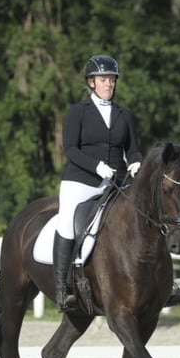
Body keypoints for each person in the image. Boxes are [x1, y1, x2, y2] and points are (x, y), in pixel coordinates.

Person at [53, 54, 143, 312]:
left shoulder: (123, 115)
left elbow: (133, 149)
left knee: (141, 216)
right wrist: (96, 166)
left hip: (113, 183)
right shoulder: (77, 112)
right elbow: (70, 148)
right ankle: (62, 288)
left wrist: (136, 161)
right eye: (104, 79)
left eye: (112, 80)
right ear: (92, 82)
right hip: (80, 181)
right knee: (67, 221)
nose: (109, 84)